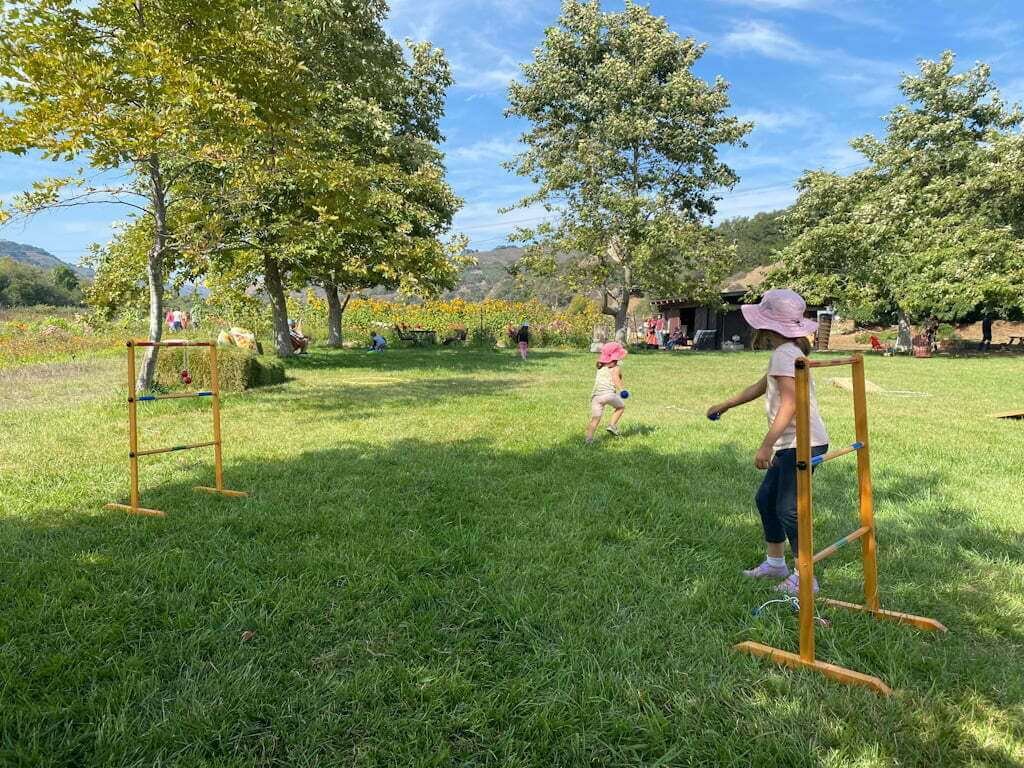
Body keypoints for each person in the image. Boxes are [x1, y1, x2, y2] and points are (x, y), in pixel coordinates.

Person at [706, 288, 829, 596]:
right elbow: (760, 387)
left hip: (800, 442)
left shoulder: (784, 355)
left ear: (767, 324)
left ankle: (805, 577)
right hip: (797, 441)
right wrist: (725, 404)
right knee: (766, 500)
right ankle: (776, 564)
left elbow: (789, 405)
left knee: (788, 508)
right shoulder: (788, 353)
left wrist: (766, 445)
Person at [586, 342, 627, 443]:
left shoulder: (600, 368)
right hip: (608, 395)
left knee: (595, 418)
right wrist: (622, 390)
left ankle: (588, 439)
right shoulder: (615, 368)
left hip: (596, 397)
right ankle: (612, 425)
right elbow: (616, 380)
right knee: (621, 407)